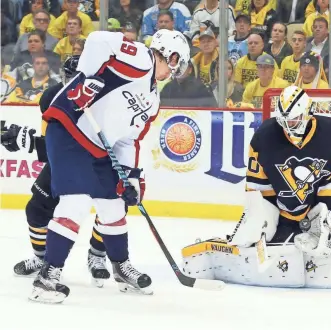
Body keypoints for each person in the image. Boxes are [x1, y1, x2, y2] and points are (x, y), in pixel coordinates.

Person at [29, 29, 191, 304]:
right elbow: (96, 40)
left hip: (98, 144)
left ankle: (121, 268)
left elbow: (128, 141)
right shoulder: (141, 58)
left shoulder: (153, 102)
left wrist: (129, 178)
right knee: (76, 202)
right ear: (172, 56)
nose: (173, 73)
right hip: (69, 127)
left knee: (114, 205)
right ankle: (47, 278)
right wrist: (86, 80)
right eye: (177, 65)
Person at [1, 56, 111, 285]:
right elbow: (49, 143)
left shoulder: (106, 101)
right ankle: (41, 259)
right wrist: (26, 139)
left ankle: (97, 256)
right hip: (63, 159)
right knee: (36, 210)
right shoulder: (51, 97)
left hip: (98, 160)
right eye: (69, 79)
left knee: (111, 207)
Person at [231, 85, 331, 248]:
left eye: (294, 119)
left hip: (321, 211)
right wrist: (261, 220)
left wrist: (322, 216)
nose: (289, 125)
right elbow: (258, 190)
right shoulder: (264, 137)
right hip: (282, 216)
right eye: (285, 119)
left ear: (307, 113)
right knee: (252, 235)